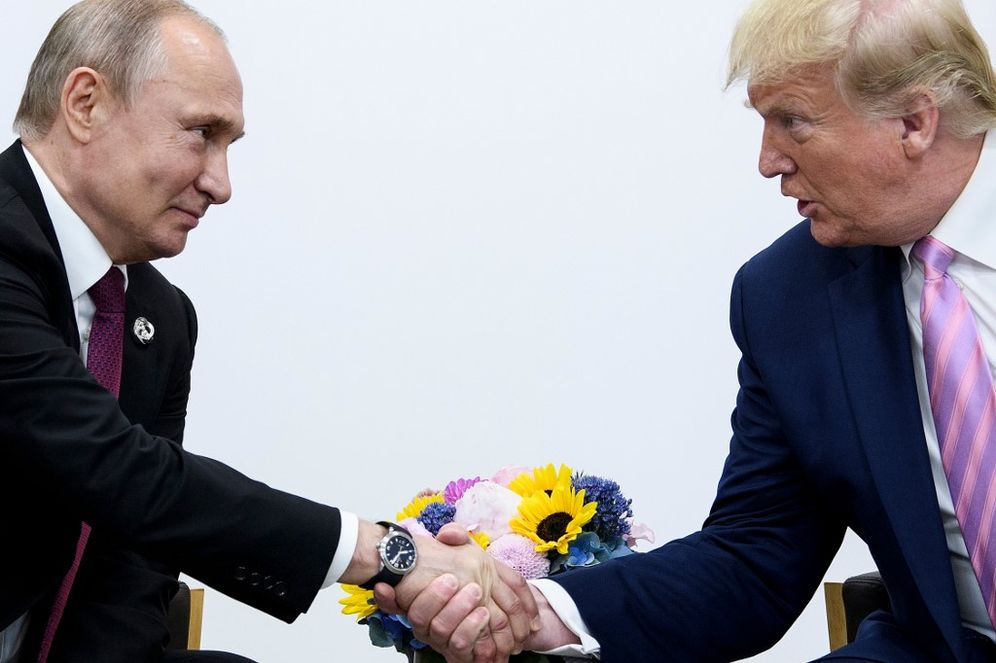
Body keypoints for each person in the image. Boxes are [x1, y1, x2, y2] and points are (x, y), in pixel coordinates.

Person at [379, 0, 996, 660]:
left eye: (793, 121)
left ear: (914, 121)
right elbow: (754, 556)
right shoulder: (788, 297)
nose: (767, 161)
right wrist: (534, 610)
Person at [0, 1, 537, 661]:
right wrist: (385, 552)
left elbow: (132, 561)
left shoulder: (159, 317)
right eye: (201, 132)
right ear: (85, 103)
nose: (220, 184)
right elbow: (120, 471)